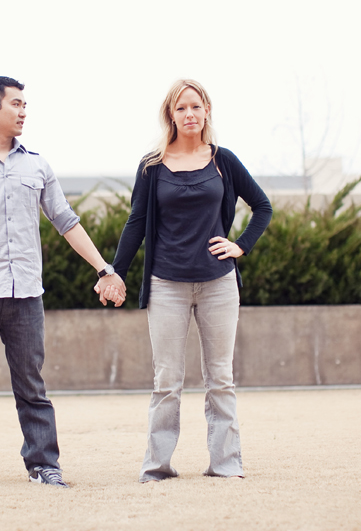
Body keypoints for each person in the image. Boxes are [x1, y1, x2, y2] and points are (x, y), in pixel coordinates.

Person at [0, 76, 125, 489]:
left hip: (26, 297)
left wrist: (104, 268)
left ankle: (43, 464)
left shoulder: (37, 164)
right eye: (17, 104)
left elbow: (65, 220)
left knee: (33, 389)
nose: (24, 112)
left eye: (25, 106)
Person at [103, 79, 272, 482]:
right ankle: (157, 466)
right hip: (166, 285)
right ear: (171, 115)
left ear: (207, 110)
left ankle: (226, 464)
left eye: (196, 106)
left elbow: (262, 206)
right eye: (182, 108)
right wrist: (114, 272)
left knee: (221, 378)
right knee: (166, 381)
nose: (190, 114)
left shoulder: (223, 161)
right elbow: (137, 222)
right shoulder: (152, 166)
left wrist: (240, 246)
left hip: (218, 284)